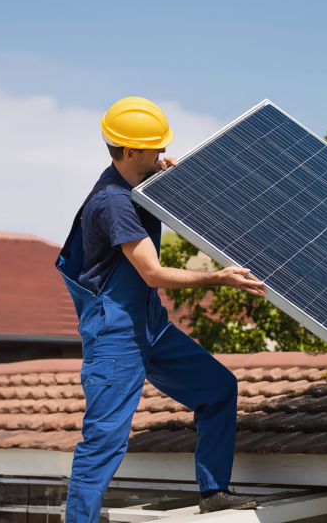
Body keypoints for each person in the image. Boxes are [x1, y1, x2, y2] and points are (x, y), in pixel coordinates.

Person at [57, 97, 266, 522]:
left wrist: (170, 178)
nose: (162, 153)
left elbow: (156, 186)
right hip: (115, 334)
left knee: (218, 388)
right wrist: (218, 277)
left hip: (148, 326)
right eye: (153, 148)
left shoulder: (137, 180)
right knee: (104, 442)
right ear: (129, 151)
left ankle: (214, 490)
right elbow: (151, 273)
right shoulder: (112, 201)